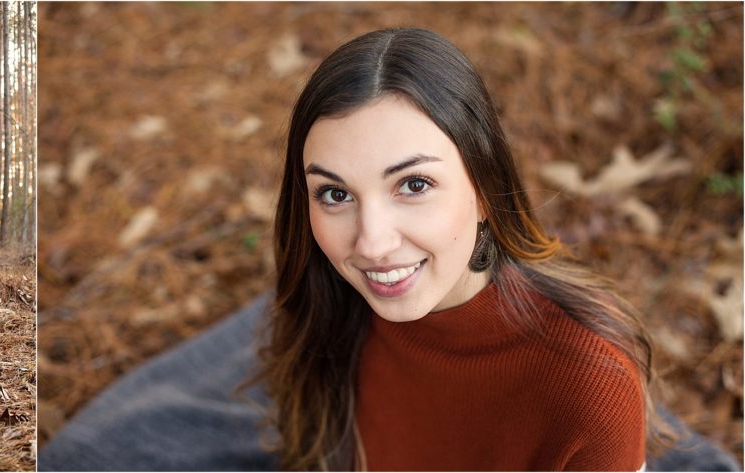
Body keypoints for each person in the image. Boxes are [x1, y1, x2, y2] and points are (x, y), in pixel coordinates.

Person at [39, 28, 740, 472]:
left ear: (485, 187)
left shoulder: (583, 384)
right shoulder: (333, 301)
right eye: (334, 194)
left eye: (413, 184)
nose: (370, 244)